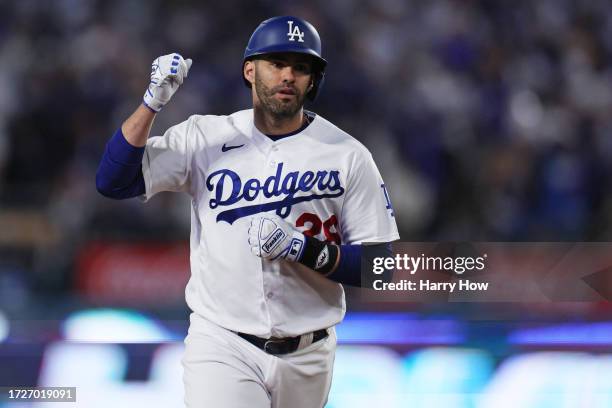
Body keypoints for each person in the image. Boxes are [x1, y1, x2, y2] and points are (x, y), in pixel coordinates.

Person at [96, 15, 399, 408]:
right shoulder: (205, 137)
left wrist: (303, 249)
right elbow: (113, 180)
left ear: (313, 80)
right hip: (223, 341)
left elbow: (380, 267)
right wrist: (151, 103)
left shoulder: (347, 155)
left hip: (310, 351)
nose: (288, 75)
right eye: (277, 63)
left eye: (301, 67)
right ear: (250, 70)